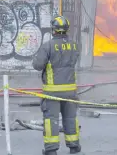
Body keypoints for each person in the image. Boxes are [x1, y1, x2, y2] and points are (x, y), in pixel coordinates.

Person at [32, 15, 81, 155]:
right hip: (70, 91)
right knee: (70, 118)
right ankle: (74, 147)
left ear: (53, 30)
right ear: (66, 30)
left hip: (52, 92)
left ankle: (51, 150)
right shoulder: (74, 45)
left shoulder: (48, 46)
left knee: (51, 120)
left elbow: (37, 65)